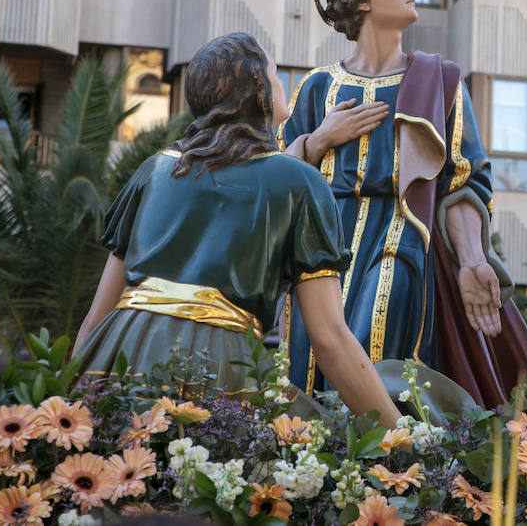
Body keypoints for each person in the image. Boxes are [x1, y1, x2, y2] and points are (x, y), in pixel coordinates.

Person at [282, 0, 527, 412]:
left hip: (402, 234)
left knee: (376, 339)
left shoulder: (439, 81)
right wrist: (319, 140)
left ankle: (379, 462)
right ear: (361, 1)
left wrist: (472, 259)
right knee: (309, 365)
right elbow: (277, 178)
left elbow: (463, 182)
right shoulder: (319, 87)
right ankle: (315, 472)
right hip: (324, 243)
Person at [74, 32, 400, 427]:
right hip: (217, 362)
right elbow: (329, 338)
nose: (284, 86)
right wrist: (397, 435)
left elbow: (96, 318)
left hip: (117, 353)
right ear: (257, 89)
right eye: (277, 74)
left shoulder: (155, 168)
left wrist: (56, 405)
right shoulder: (299, 183)